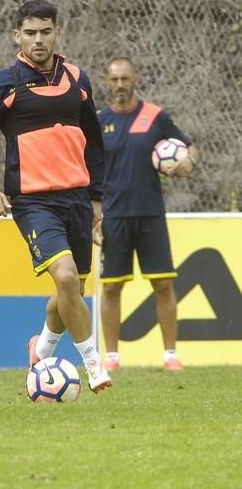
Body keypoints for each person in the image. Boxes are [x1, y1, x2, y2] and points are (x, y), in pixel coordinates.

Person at [0, 0, 112, 393]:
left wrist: (96, 198)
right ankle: (94, 365)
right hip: (33, 202)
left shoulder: (78, 80)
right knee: (63, 278)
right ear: (17, 36)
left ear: (57, 33)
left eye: (46, 31)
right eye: (30, 33)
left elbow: (94, 143)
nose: (38, 40)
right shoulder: (1, 84)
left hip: (77, 199)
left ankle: (41, 348)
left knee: (71, 289)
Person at [94, 57, 199, 372]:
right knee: (112, 286)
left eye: (125, 78)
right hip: (113, 216)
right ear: (107, 82)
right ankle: (111, 357)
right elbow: (90, 170)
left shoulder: (155, 117)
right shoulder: (99, 121)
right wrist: (94, 212)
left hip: (151, 213)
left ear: (136, 78)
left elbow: (191, 148)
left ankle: (170, 355)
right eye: (114, 80)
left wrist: (189, 162)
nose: (120, 85)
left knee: (163, 284)